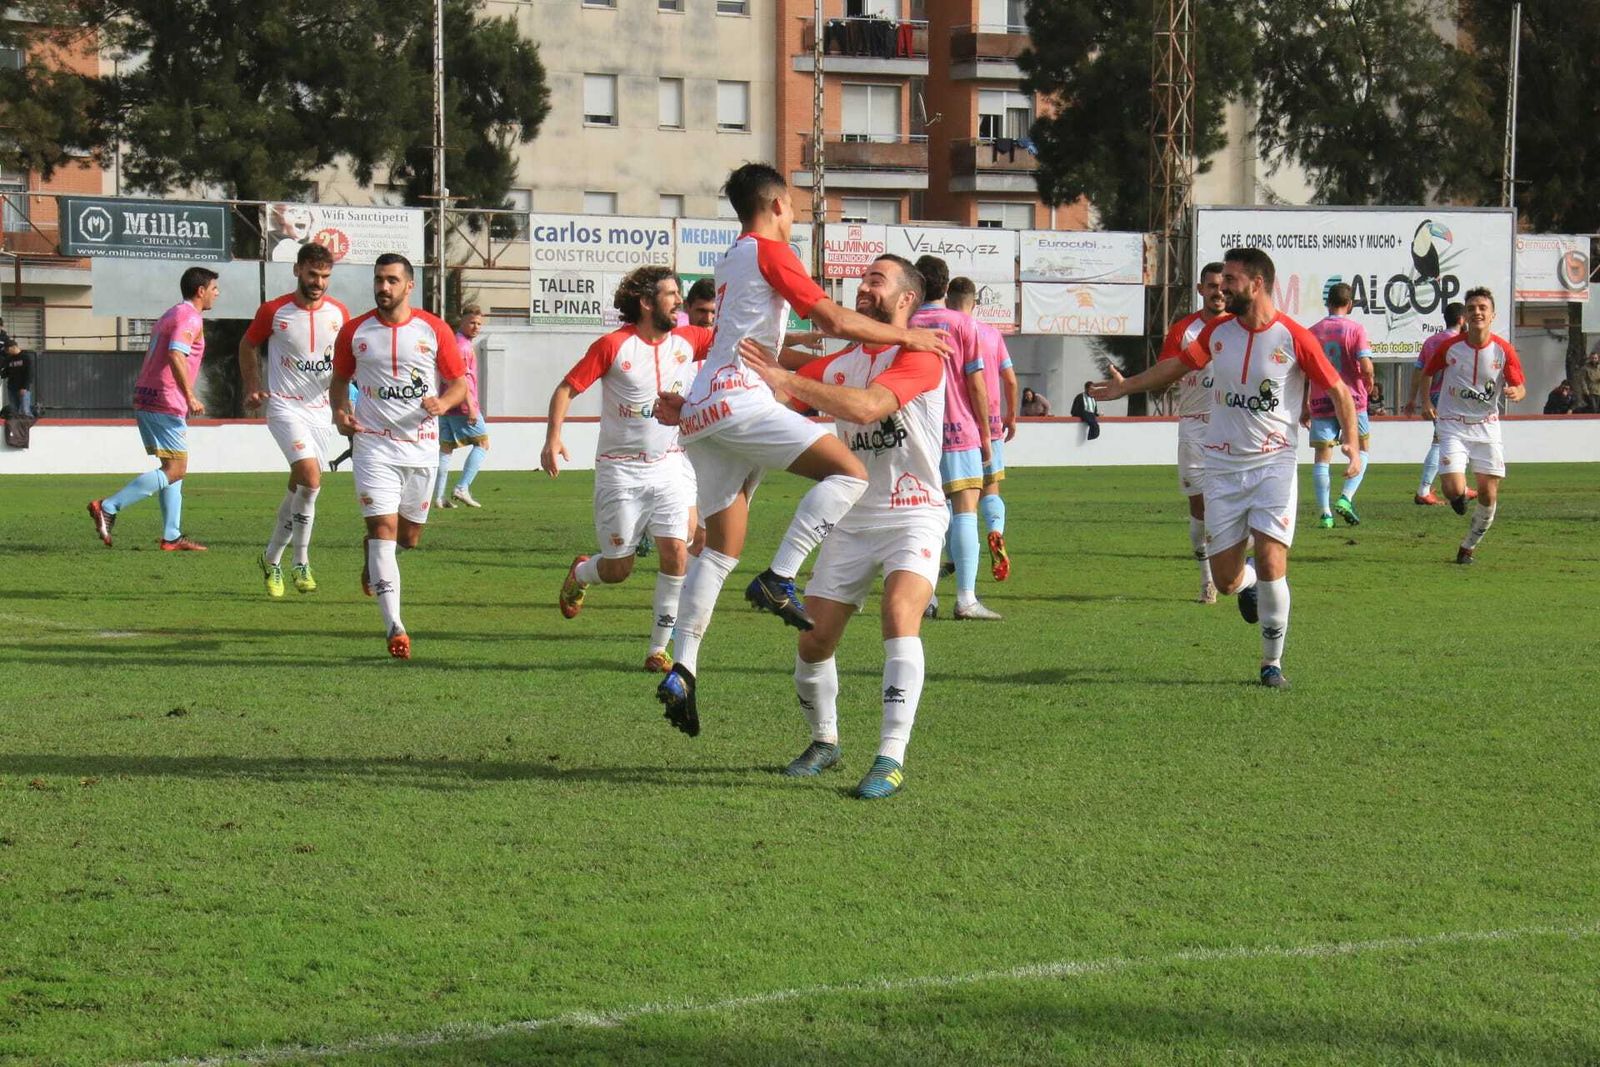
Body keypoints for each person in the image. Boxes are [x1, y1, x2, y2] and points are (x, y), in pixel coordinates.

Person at [649, 162, 949, 738]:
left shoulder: (730, 258)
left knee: (720, 548)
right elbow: (831, 317)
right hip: (739, 397)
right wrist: (908, 334)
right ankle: (780, 576)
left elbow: (758, 340)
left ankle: (683, 666)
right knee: (849, 473)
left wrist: (693, 404)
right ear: (778, 205)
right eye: (794, 206)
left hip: (703, 410)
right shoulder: (772, 250)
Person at [1089, 247, 1359, 689]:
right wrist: (1127, 387)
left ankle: (1271, 663)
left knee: (1272, 558)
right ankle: (1247, 580)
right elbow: (1176, 368)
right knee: (1227, 579)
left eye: (1231, 280)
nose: (1223, 288)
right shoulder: (1217, 331)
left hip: (1274, 463)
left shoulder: (1293, 336)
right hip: (1222, 465)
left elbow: (1339, 390)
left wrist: (1353, 444)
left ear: (1257, 283)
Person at [736, 254, 944, 799]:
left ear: (907, 299)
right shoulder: (839, 363)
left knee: (899, 614)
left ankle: (890, 757)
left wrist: (786, 377)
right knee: (813, 640)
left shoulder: (923, 355)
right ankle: (824, 741)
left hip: (914, 511)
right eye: (863, 278)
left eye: (877, 280)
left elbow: (868, 408)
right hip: (852, 520)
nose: (864, 286)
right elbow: (771, 396)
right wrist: (693, 406)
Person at [543, 266, 708, 672]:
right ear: (647, 302)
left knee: (676, 553)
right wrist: (553, 438)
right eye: (671, 294)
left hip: (669, 464)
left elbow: (743, 339)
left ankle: (658, 649)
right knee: (619, 569)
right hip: (620, 471)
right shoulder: (613, 346)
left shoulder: (689, 339)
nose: (679, 301)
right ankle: (583, 572)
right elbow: (565, 389)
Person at [329, 254, 467, 659]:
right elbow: (339, 380)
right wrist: (340, 412)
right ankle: (395, 627)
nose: (383, 287)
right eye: (378, 280)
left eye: (391, 280)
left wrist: (443, 403)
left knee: (408, 538)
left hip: (421, 446)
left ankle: (371, 553)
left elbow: (458, 383)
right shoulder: (355, 331)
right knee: (384, 530)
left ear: (409, 286)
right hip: (373, 445)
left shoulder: (433, 329)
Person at [239, 242, 350, 597]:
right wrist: (254, 386)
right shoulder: (274, 311)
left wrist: (345, 405)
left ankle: (271, 558)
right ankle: (301, 561)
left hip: (320, 412)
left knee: (301, 487)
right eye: (313, 274)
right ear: (297, 270)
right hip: (284, 407)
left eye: (325, 276)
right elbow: (247, 345)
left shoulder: (339, 313)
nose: (319, 282)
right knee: (312, 480)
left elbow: (346, 363)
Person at [87, 267, 219, 551]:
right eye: (214, 288)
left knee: (172, 467)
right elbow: (175, 354)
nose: (216, 294)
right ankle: (108, 506)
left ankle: (172, 536)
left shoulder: (170, 314)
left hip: (148, 395)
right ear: (201, 291)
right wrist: (190, 395)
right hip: (166, 398)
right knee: (176, 468)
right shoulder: (190, 317)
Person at [914, 256, 997, 621]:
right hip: (959, 429)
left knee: (923, 516)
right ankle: (965, 599)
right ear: (946, 288)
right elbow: (976, 382)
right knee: (965, 511)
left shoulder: (905, 323)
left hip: (917, 432)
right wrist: (986, 432)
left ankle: (926, 598)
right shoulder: (963, 324)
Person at [1419, 287, 1526, 565]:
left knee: (1489, 493)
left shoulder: (1504, 350)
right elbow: (1427, 372)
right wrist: (1425, 402)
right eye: (1471, 308)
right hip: (1452, 423)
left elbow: (1520, 385)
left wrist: (1517, 392)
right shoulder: (1450, 347)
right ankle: (1458, 496)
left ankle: (1468, 547)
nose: (1477, 312)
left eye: (1482, 308)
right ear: (1465, 316)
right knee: (1452, 489)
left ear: (1492, 315)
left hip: (1486, 427)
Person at [1159, 261, 1226, 603]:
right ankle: (1206, 579)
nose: (1218, 292)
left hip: (1231, 425)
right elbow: (1163, 374)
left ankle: (1238, 566)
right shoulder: (1183, 330)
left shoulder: (1241, 327)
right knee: (1199, 508)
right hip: (1194, 426)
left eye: (1223, 286)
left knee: (1232, 503)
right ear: (1201, 290)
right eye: (1211, 286)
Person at [948, 276, 1017, 582]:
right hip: (990, 421)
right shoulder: (991, 334)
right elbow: (1010, 380)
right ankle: (995, 530)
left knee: (955, 499)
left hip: (955, 423)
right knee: (990, 487)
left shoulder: (946, 332)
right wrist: (1011, 416)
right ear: (974, 303)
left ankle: (954, 558)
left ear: (947, 301)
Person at [1306, 282, 1375, 528]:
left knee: (1322, 456)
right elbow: (1365, 365)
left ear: (1327, 303)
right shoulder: (1356, 329)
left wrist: (1304, 405)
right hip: (1352, 400)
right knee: (1362, 447)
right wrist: (1369, 379)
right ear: (1350, 304)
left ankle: (1325, 514)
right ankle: (1346, 497)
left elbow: (1305, 372)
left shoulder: (1312, 332)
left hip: (1321, 398)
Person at [1404, 302, 1465, 506]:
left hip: (1433, 396)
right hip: (1450, 397)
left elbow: (1418, 371)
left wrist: (1413, 398)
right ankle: (1423, 490)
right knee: (1441, 442)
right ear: (1462, 320)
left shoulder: (1430, 341)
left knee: (1454, 440)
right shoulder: (1459, 343)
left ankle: (1460, 485)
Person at [433, 305, 490, 509]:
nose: (476, 327)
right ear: (462, 321)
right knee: (482, 444)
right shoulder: (462, 347)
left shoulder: (453, 343)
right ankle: (462, 488)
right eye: (472, 322)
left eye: (479, 324)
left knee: (446, 449)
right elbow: (460, 380)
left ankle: (439, 497)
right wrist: (471, 407)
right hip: (462, 405)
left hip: (446, 404)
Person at [1, 340, 33, 417]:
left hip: (22, 388)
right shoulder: (9, 359)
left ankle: (27, 423)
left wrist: (24, 387)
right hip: (12, 387)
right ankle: (16, 424)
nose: (6, 351)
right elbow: (6, 372)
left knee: (25, 410)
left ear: (13, 347)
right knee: (14, 411)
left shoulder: (25, 357)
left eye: (7, 349)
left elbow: (29, 374)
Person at [1576, 345, 1600, 414]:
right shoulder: (1585, 368)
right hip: (1590, 392)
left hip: (1599, 391)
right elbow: (1582, 380)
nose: (1594, 360)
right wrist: (1586, 391)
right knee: (1593, 409)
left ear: (1598, 358)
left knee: (1597, 409)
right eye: (1592, 358)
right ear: (1590, 358)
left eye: (1595, 358)